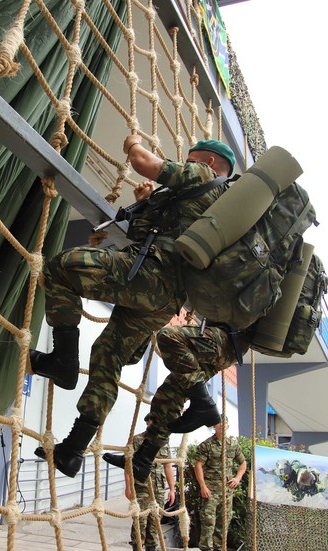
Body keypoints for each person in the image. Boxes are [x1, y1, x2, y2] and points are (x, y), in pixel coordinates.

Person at [31, 134, 237, 480]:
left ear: (210, 162)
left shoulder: (205, 177)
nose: (186, 161)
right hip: (163, 300)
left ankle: (63, 361)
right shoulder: (216, 203)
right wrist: (148, 202)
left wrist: (133, 143)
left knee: (61, 267)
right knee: (108, 354)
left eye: (192, 157)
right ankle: (73, 449)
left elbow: (146, 164)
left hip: (148, 277)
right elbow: (151, 233)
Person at [102, 414, 175, 551]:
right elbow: (128, 465)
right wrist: (128, 488)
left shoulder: (163, 441)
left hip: (159, 489)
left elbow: (168, 466)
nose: (152, 424)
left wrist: (172, 488)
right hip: (141, 486)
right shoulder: (137, 440)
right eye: (151, 422)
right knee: (139, 521)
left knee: (155, 522)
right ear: (147, 423)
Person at [194, 417, 246, 551]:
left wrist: (237, 478)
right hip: (210, 491)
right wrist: (202, 486)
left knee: (223, 524)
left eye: (224, 422)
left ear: (228, 425)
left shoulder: (233, 444)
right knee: (208, 524)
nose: (222, 425)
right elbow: (198, 465)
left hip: (226, 493)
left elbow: (243, 463)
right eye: (218, 423)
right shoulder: (207, 445)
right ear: (214, 426)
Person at [259, 459, 328, 502]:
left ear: (290, 472)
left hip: (306, 486)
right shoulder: (280, 472)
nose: (285, 478)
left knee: (322, 488)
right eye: (282, 477)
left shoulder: (297, 472)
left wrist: (310, 476)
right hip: (296, 490)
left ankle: (327, 475)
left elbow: (302, 472)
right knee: (296, 499)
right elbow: (273, 471)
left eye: (286, 476)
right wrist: (265, 471)